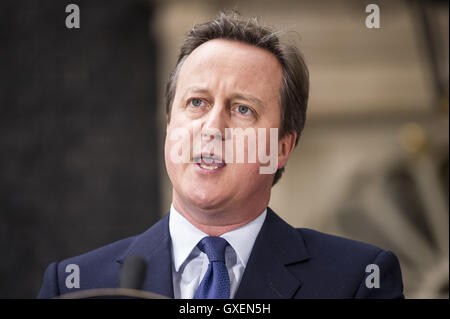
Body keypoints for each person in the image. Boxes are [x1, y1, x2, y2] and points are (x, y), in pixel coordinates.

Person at [37, 11, 404, 299]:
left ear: (281, 148)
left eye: (242, 109)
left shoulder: (358, 281)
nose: (213, 127)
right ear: (169, 125)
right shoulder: (76, 284)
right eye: (197, 103)